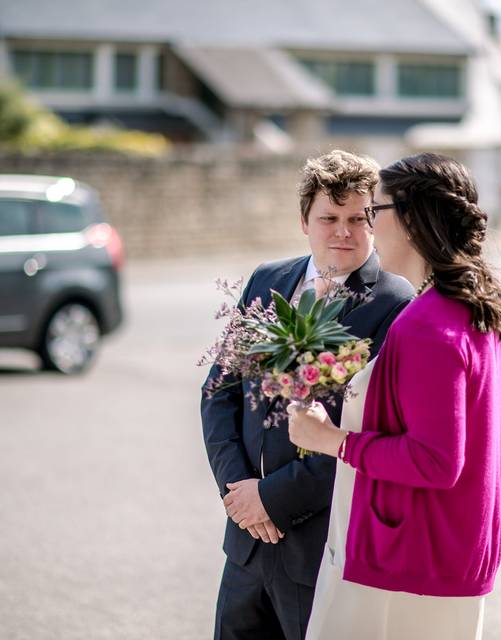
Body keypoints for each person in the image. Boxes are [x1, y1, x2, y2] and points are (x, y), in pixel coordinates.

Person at [287, 152, 501, 640]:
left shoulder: (427, 323)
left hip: (407, 562)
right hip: (442, 556)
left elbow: (435, 459)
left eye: (375, 211)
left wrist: (332, 440)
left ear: (408, 221)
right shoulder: (468, 308)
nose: (367, 225)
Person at [201, 150, 414, 640]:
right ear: (304, 221)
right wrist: (238, 495)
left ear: (374, 223)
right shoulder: (267, 280)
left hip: (319, 543)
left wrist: (273, 500)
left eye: (357, 219)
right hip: (247, 541)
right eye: (329, 218)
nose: (343, 231)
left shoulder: (396, 304)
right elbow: (219, 392)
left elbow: (373, 431)